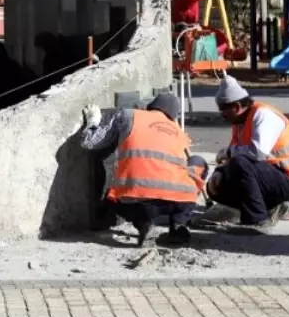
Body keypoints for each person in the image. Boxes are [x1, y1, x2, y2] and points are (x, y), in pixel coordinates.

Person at [80, 92, 207, 246]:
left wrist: (94, 121)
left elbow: (90, 143)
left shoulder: (128, 115)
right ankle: (179, 225)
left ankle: (144, 223)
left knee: (112, 198)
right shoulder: (178, 131)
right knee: (197, 164)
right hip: (178, 200)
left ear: (150, 107)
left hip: (137, 201)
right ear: (173, 116)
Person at [207, 76, 289, 230]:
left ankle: (257, 221)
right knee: (216, 186)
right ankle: (265, 207)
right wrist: (219, 173)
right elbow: (233, 158)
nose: (222, 115)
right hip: (268, 178)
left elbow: (256, 153)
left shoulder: (263, 115)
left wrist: (228, 153)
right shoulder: (239, 123)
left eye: (223, 110)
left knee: (240, 163)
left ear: (236, 106)